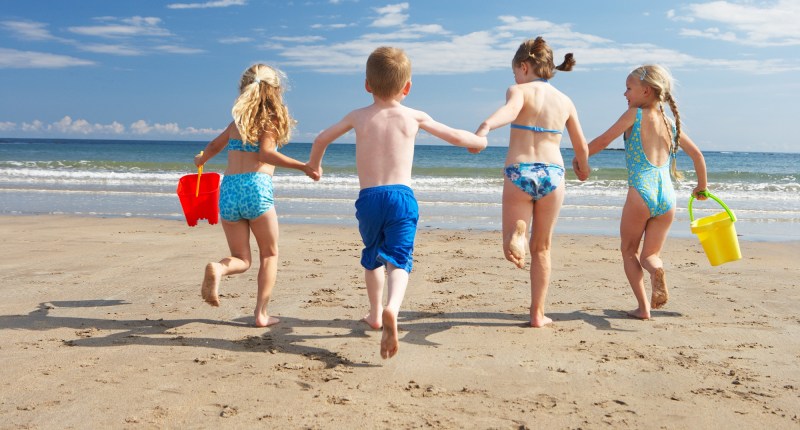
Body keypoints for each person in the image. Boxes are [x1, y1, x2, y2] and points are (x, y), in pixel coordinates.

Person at [308, 46, 487, 359]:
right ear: (407, 87)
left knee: (373, 254)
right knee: (400, 258)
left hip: (369, 199)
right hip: (401, 198)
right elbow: (457, 137)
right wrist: (480, 141)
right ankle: (393, 307)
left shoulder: (357, 116)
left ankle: (375, 314)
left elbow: (321, 137)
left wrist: (315, 165)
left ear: (367, 85)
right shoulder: (414, 116)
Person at [476, 37, 590, 328]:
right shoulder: (565, 101)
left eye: (515, 71)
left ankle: (516, 233)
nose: (515, 77)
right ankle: (538, 314)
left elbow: (510, 112)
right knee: (542, 248)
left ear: (524, 67)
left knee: (510, 244)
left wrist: (487, 125)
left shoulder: (518, 90)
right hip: (554, 174)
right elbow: (581, 145)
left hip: (520, 170)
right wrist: (583, 165)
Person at [194, 63, 319, 327]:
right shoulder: (270, 120)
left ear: (244, 88)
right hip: (256, 188)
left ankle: (220, 268)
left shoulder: (236, 122)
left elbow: (214, 145)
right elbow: (266, 154)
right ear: (275, 90)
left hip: (229, 190)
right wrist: (303, 166)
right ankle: (261, 314)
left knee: (241, 259)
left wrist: (202, 159)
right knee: (269, 254)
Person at [580, 64, 708, 320]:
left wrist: (579, 158)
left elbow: (603, 141)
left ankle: (643, 308)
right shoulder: (670, 124)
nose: (625, 94)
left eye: (629, 88)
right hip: (667, 198)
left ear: (646, 91)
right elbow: (697, 155)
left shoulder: (634, 115)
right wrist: (701, 186)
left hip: (641, 193)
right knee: (651, 256)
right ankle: (656, 269)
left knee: (629, 251)